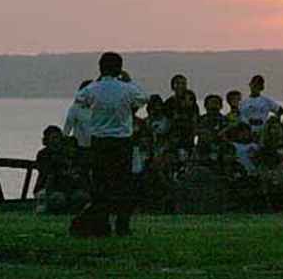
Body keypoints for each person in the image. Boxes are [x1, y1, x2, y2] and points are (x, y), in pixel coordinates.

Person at [69, 52, 148, 237]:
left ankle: (101, 224)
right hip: (122, 142)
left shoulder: (92, 89)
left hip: (99, 142)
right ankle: (122, 225)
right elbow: (143, 98)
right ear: (120, 68)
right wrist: (129, 82)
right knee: (123, 186)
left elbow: (80, 99)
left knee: (101, 186)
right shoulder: (127, 89)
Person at [33, 126, 87, 213]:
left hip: (68, 187)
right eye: (53, 138)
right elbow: (47, 173)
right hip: (47, 187)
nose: (56, 141)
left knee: (80, 197)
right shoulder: (43, 154)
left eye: (58, 138)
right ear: (47, 140)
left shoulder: (67, 153)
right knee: (58, 199)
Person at [164, 74, 199, 158]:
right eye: (178, 83)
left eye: (183, 83)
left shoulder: (192, 103)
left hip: (188, 139)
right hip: (172, 138)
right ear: (173, 86)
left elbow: (195, 120)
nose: (180, 86)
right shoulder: (169, 103)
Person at [195, 94, 227, 162]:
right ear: (205, 105)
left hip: (221, 153)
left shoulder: (225, 121)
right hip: (202, 153)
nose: (214, 105)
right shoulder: (200, 120)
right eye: (211, 102)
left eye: (216, 103)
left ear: (221, 106)